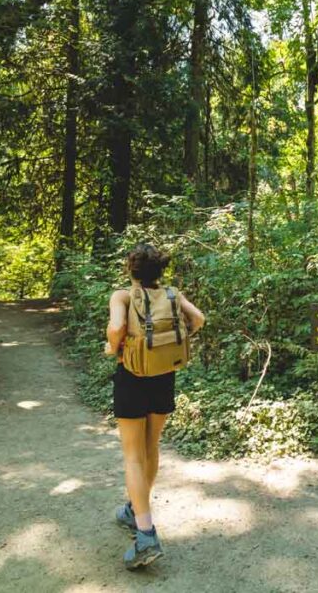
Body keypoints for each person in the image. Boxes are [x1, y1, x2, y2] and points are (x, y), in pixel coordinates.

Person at [103, 243, 205, 569]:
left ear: (130, 268)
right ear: (160, 271)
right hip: (164, 375)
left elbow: (117, 328)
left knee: (133, 455)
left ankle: (145, 535)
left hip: (132, 375)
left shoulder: (122, 296)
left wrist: (113, 345)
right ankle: (136, 509)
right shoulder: (173, 295)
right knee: (151, 446)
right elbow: (199, 319)